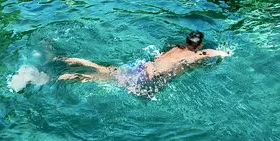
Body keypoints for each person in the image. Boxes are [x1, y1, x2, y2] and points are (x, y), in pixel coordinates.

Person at [54, 31, 231, 96]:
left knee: (110, 71)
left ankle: (74, 60)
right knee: (109, 80)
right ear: (198, 45)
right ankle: (75, 76)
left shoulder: (176, 48)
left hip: (142, 66)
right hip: (147, 76)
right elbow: (207, 54)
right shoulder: (192, 56)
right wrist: (224, 53)